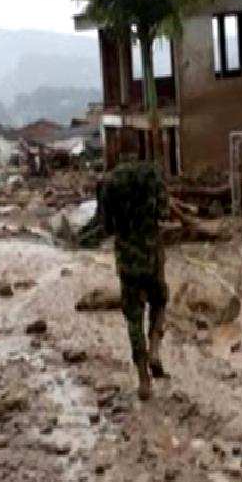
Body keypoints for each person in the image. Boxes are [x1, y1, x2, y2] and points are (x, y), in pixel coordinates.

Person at [99, 157, 170, 401]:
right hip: (151, 254)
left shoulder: (110, 182)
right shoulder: (152, 173)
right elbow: (164, 212)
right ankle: (155, 349)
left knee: (133, 316)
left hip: (128, 259)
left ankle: (143, 378)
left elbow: (106, 226)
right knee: (159, 301)